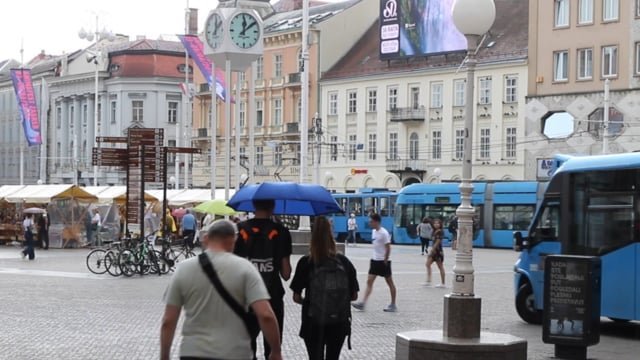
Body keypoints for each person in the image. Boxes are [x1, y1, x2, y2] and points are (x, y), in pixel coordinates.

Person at [161, 220, 282, 360]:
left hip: (193, 352)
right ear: (233, 240)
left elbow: (168, 320)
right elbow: (266, 315)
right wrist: (276, 351)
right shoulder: (246, 269)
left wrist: (164, 355)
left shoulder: (184, 268)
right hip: (235, 352)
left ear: (206, 238)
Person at [290, 216, 359, 360]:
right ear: (331, 234)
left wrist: (314, 302)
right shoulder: (344, 262)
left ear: (312, 236)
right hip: (338, 322)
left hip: (313, 322)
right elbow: (354, 296)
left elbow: (296, 298)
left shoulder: (306, 262)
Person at [234, 199, 292, 360]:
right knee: (272, 350)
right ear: (273, 207)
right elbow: (286, 274)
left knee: (246, 349)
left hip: (245, 297)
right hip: (272, 296)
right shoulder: (281, 232)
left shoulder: (240, 230)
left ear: (253, 206)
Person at [352, 213, 397, 312]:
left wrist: (385, 259)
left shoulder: (383, 233)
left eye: (371, 221)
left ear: (376, 222)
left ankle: (393, 304)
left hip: (383, 261)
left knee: (389, 282)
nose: (370, 223)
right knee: (369, 281)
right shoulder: (373, 232)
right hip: (375, 261)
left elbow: (388, 247)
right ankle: (363, 303)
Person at [426, 219, 446, 288]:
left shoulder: (439, 232)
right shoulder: (434, 231)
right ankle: (428, 280)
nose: (436, 224)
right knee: (427, 264)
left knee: (440, 267)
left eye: (438, 223)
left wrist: (432, 250)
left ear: (440, 224)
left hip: (437, 251)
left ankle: (443, 283)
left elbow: (437, 242)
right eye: (435, 223)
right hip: (434, 251)